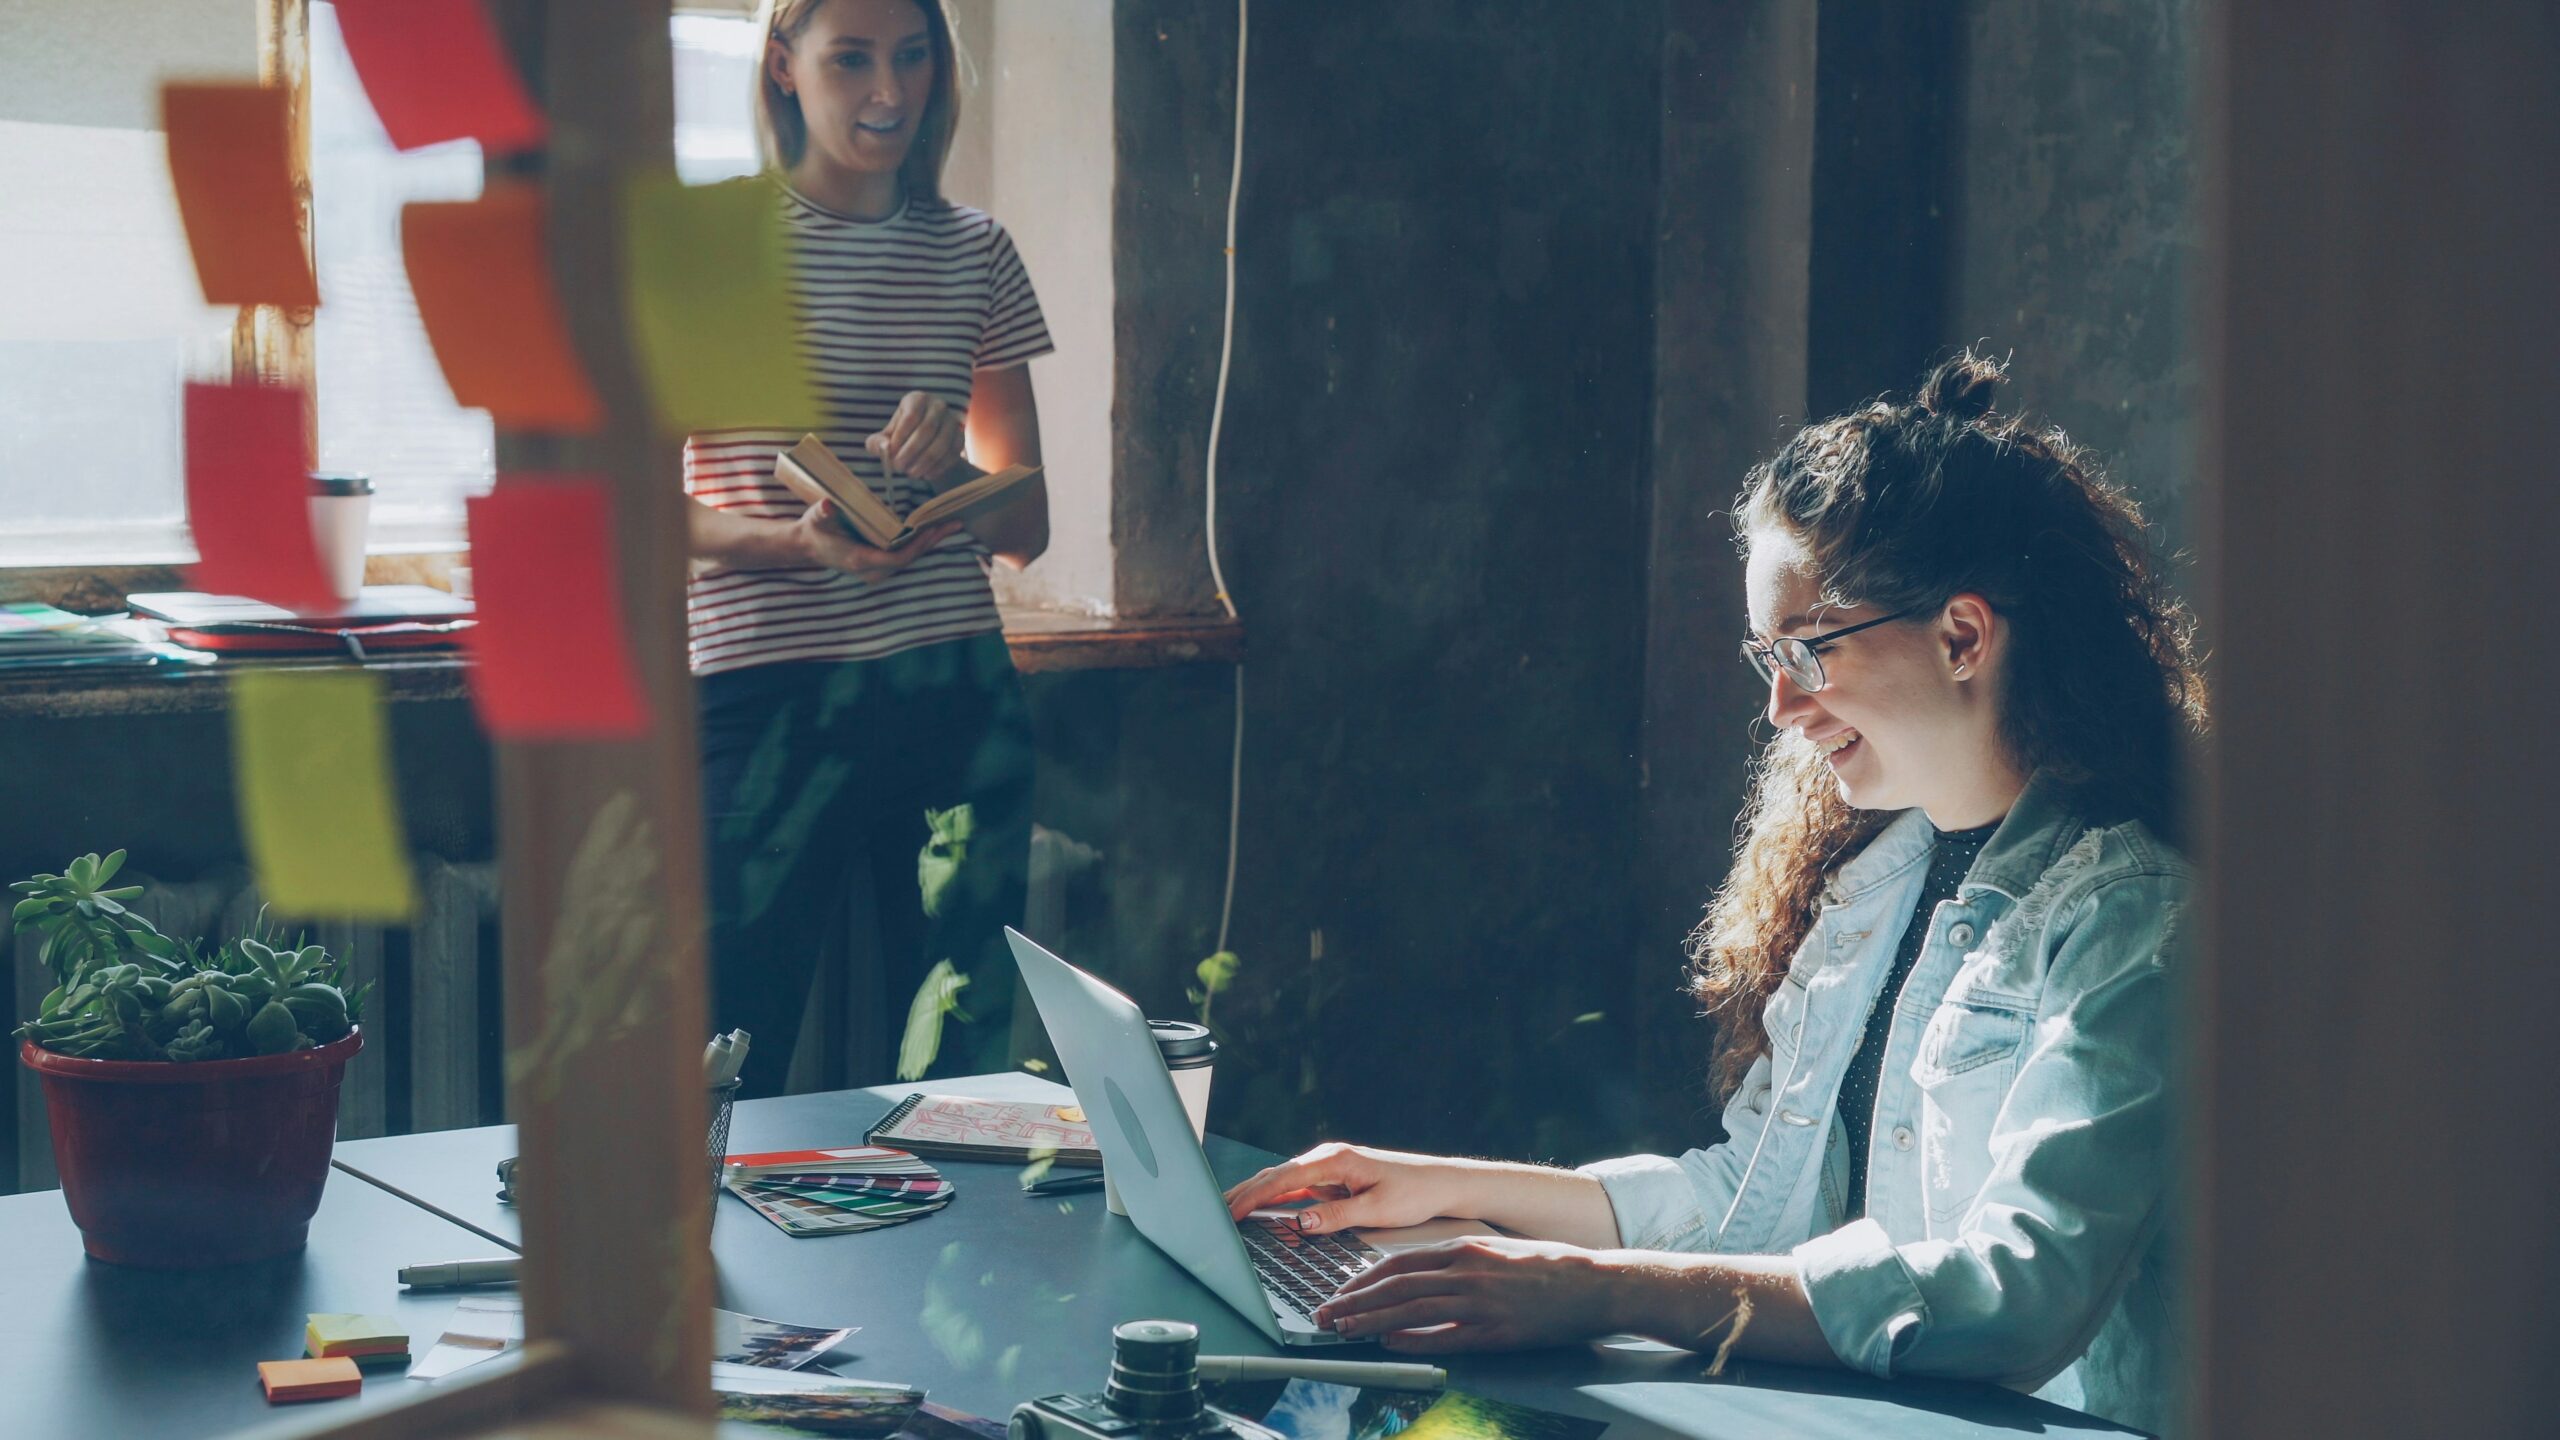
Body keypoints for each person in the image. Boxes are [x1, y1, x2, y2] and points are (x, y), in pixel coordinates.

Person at [1224, 353, 2206, 1435]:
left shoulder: (2136, 920)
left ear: (1962, 636)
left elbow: (2017, 1298)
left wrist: (1598, 1288)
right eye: (1765, 657)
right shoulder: (1875, 880)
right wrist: (1451, 1191)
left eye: (1807, 650)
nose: (1780, 705)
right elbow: (1750, 1195)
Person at [686, 0, 1050, 1098]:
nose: (889, 93)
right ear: (783, 65)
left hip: (951, 692)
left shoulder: (976, 249)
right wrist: (801, 547)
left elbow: (1025, 527)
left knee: (956, 1073)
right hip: (764, 696)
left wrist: (952, 477)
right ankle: (695, 1277)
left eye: (912, 56)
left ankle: (942, 1270)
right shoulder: (711, 246)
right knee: (724, 1055)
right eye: (851, 59)